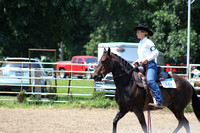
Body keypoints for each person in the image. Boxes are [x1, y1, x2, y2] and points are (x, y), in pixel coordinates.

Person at [133, 23, 164, 108]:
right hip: (143, 66)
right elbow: (142, 57)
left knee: (150, 80)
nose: (137, 33)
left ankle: (159, 101)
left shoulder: (148, 42)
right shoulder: (140, 43)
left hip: (151, 65)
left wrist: (147, 59)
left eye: (138, 32)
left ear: (144, 33)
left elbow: (156, 53)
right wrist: (137, 60)